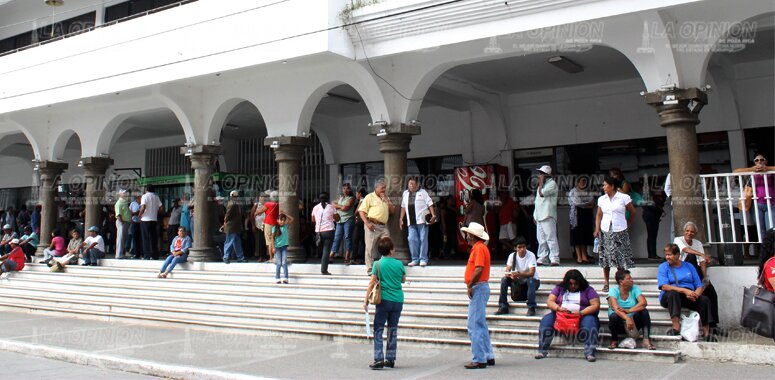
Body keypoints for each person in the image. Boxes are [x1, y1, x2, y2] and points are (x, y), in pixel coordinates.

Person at [535, 269, 600, 362]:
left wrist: (581, 312)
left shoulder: (588, 289)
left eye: (576, 284)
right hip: (561, 314)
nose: (573, 286)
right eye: (571, 284)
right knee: (546, 321)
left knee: (590, 323)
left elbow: (595, 305)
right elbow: (550, 301)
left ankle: (590, 352)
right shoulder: (559, 288)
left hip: (582, 314)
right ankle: (542, 350)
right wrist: (558, 308)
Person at [674, 221, 723, 336]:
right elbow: (686, 250)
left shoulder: (698, 243)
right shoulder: (678, 240)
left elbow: (702, 263)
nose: (689, 233)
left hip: (695, 272)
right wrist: (701, 255)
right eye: (687, 231)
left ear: (695, 233)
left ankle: (713, 325)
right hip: (683, 271)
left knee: (712, 293)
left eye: (692, 232)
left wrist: (704, 278)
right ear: (684, 232)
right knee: (691, 256)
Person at [364, 236, 406, 369]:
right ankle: (390, 358)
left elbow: (372, 282)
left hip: (384, 300)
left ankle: (378, 358)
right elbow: (403, 279)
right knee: (392, 329)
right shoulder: (399, 264)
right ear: (392, 250)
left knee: (379, 328)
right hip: (398, 300)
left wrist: (366, 300)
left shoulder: (377, 264)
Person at [658, 243, 715, 341]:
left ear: (677, 255)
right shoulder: (664, 267)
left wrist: (695, 295)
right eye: (666, 255)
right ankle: (676, 327)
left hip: (688, 295)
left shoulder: (689, 266)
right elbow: (664, 286)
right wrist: (684, 291)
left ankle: (707, 333)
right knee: (673, 294)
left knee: (704, 300)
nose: (667, 257)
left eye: (670, 255)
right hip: (670, 295)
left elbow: (699, 285)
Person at [460, 222, 495, 369]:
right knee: (480, 323)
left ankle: (479, 358)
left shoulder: (479, 248)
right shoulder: (480, 247)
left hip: (478, 286)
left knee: (474, 324)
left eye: (468, 234)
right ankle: (487, 355)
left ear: (473, 235)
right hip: (480, 286)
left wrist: (470, 284)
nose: (467, 236)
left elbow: (478, 269)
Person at [595, 175, 636, 292]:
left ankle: (621, 282)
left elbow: (633, 212)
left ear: (612, 186)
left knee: (620, 258)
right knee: (605, 258)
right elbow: (599, 215)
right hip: (605, 230)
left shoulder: (623, 197)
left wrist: (627, 225)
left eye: (605, 185)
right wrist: (597, 229)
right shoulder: (602, 199)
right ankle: (606, 282)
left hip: (620, 230)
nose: (603, 187)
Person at [607, 269, 655, 350]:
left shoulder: (635, 289)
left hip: (633, 323)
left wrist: (629, 311)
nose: (632, 280)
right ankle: (614, 340)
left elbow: (643, 303)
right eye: (629, 279)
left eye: (631, 278)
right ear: (621, 282)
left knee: (644, 311)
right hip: (620, 323)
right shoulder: (613, 291)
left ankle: (646, 339)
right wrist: (627, 318)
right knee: (614, 316)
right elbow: (615, 308)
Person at [734, 154, 775, 241]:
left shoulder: (770, 172)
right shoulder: (752, 172)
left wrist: (767, 169)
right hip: (757, 204)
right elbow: (735, 171)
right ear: (754, 162)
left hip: (770, 204)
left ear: (765, 161)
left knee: (770, 229)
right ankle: (765, 251)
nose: (759, 162)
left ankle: (772, 250)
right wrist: (752, 169)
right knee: (761, 230)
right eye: (757, 160)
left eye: (762, 160)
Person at [358, 181, 395, 275]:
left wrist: (386, 200)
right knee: (370, 247)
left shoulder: (386, 198)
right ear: (376, 188)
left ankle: (385, 264)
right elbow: (361, 211)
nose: (384, 190)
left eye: (385, 188)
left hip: (383, 226)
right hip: (372, 224)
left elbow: (392, 211)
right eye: (382, 188)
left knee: (388, 244)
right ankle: (369, 268)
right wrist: (367, 223)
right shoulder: (369, 197)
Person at [496, 237, 540, 316]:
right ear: (515, 248)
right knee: (504, 280)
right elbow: (507, 271)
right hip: (518, 280)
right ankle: (503, 306)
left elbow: (532, 273)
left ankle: (531, 307)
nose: (522, 249)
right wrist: (510, 275)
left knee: (531, 280)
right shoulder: (512, 256)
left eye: (524, 247)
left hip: (532, 281)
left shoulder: (531, 255)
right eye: (519, 247)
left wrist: (520, 274)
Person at [400, 178, 436, 267]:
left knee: (423, 239)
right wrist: (401, 218)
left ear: (417, 184)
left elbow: (430, 203)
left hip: (422, 220)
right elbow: (403, 207)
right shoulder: (405, 193)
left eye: (412, 184)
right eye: (409, 184)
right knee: (411, 239)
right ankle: (415, 259)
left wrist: (433, 215)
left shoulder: (423, 192)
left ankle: (423, 259)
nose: (411, 185)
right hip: (411, 221)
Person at [534, 165, 560, 266]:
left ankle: (554, 258)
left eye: (541, 174)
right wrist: (535, 215)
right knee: (541, 238)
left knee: (551, 237)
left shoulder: (552, 184)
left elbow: (542, 194)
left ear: (546, 175)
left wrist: (540, 184)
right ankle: (542, 257)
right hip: (539, 216)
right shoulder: (540, 186)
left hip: (548, 215)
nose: (539, 175)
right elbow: (537, 202)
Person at [568, 177, 594, 264]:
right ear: (577, 182)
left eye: (585, 182)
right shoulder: (573, 191)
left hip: (586, 216)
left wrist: (585, 205)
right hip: (576, 216)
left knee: (585, 236)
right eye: (582, 181)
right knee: (577, 236)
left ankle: (584, 256)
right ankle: (579, 257)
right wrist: (586, 205)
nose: (583, 183)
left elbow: (592, 201)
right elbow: (576, 203)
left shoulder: (588, 191)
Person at [331, 183, 356, 265]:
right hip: (340, 220)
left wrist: (337, 206)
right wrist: (340, 206)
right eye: (344, 188)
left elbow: (346, 208)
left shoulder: (351, 198)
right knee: (337, 238)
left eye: (347, 188)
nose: (345, 190)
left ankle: (347, 257)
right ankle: (331, 255)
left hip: (348, 219)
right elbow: (332, 203)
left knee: (347, 237)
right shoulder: (341, 198)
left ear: (350, 190)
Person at [312, 192, 336, 275]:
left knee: (321, 249)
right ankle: (324, 269)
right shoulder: (331, 207)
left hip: (319, 232)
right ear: (328, 199)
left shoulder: (315, 208)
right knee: (326, 251)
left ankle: (320, 262)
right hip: (329, 231)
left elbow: (313, 220)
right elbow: (336, 218)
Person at [222, 190, 246, 264]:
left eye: (237, 196)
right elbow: (227, 215)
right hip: (231, 226)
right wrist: (225, 222)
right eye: (235, 196)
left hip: (236, 226)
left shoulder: (236, 204)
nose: (236, 197)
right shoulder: (232, 204)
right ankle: (226, 257)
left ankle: (240, 257)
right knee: (229, 241)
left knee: (236, 242)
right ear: (232, 197)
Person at [139, 187, 163, 260]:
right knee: (153, 238)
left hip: (145, 220)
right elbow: (161, 207)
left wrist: (140, 214)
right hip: (154, 220)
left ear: (146, 190)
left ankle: (147, 255)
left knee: (145, 238)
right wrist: (156, 213)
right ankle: (155, 255)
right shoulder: (156, 197)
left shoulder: (144, 196)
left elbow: (143, 207)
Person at [256, 191, 279, 262]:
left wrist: (255, 212)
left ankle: (271, 258)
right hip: (275, 223)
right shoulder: (278, 204)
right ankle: (276, 256)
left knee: (269, 241)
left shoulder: (268, 204)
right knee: (274, 240)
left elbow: (259, 212)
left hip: (268, 223)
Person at [271, 213, 294, 284]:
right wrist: (273, 247)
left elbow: (292, 219)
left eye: (284, 220)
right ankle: (277, 278)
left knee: (284, 262)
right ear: (277, 220)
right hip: (277, 248)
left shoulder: (286, 226)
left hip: (284, 247)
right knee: (279, 263)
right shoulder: (274, 228)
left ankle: (286, 278)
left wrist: (285, 214)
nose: (282, 222)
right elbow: (272, 238)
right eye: (281, 220)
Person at [351, 187, 368, 265]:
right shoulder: (365, 200)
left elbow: (356, 211)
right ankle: (361, 257)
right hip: (363, 223)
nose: (356, 195)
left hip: (360, 223)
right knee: (362, 241)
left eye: (356, 193)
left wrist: (353, 215)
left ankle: (355, 257)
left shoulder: (362, 200)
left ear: (360, 194)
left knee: (356, 240)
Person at [114, 190, 132, 259]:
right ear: (120, 194)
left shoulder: (125, 202)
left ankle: (121, 253)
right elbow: (118, 215)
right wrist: (122, 222)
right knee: (120, 238)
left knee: (123, 238)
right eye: (124, 193)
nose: (126, 194)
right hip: (122, 222)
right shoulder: (119, 203)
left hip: (125, 222)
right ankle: (119, 254)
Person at [251, 193, 268, 262]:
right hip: (258, 225)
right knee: (259, 241)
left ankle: (266, 256)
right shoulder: (256, 205)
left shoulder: (267, 204)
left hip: (266, 225)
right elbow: (252, 215)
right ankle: (260, 256)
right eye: (261, 197)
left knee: (265, 241)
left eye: (264, 197)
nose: (262, 198)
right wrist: (253, 225)